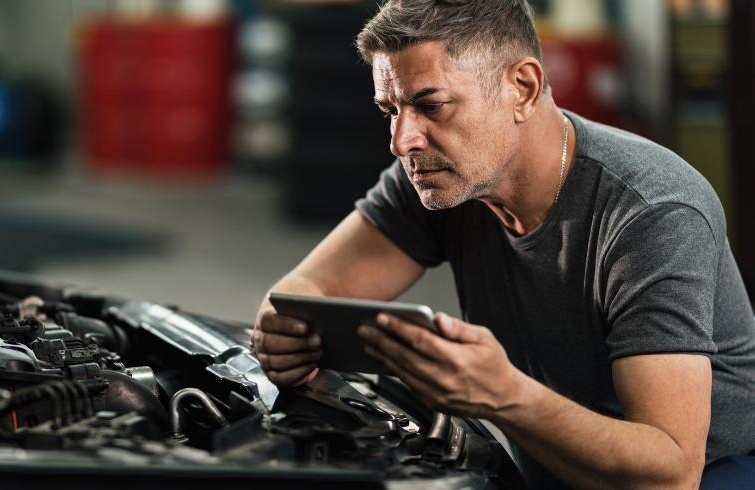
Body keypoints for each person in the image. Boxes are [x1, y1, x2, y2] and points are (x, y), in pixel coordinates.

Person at [250, 1, 755, 489]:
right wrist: (285, 332)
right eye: (391, 110)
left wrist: (505, 395)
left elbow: (670, 475)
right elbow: (302, 294)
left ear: (522, 88)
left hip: (713, 474)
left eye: (431, 106)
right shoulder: (439, 173)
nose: (402, 141)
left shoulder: (651, 213)